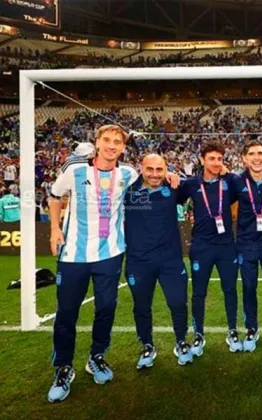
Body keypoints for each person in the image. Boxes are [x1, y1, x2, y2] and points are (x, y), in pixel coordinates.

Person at [47, 125, 139, 402]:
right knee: (66, 312)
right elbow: (54, 196)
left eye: (117, 142)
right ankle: (63, 367)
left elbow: (150, 178)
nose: (111, 146)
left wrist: (170, 175)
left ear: (123, 148)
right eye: (107, 140)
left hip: (110, 253)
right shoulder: (74, 169)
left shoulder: (128, 173)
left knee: (107, 307)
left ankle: (96, 357)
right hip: (74, 254)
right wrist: (54, 228)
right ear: (97, 143)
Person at [124, 154, 193, 369]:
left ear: (166, 169)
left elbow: (203, 184)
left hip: (170, 260)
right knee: (142, 306)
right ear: (140, 168)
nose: (155, 174)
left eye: (159, 169)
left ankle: (181, 341)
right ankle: (147, 345)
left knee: (178, 302)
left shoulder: (174, 188)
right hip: (138, 261)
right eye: (150, 169)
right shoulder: (127, 190)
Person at [178, 141, 242, 355]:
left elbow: (247, 181)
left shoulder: (230, 181)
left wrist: (227, 172)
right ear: (201, 160)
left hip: (226, 246)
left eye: (220, 159)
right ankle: (198, 334)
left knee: (230, 290)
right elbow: (174, 197)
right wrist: (170, 176)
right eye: (212, 158)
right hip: (201, 247)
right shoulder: (191, 184)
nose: (216, 163)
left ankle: (232, 331)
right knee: (198, 293)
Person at [233, 140, 262, 352]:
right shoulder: (236, 181)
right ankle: (251, 328)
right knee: (249, 287)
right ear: (244, 158)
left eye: (260, 153)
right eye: (251, 154)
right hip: (246, 243)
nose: (257, 157)